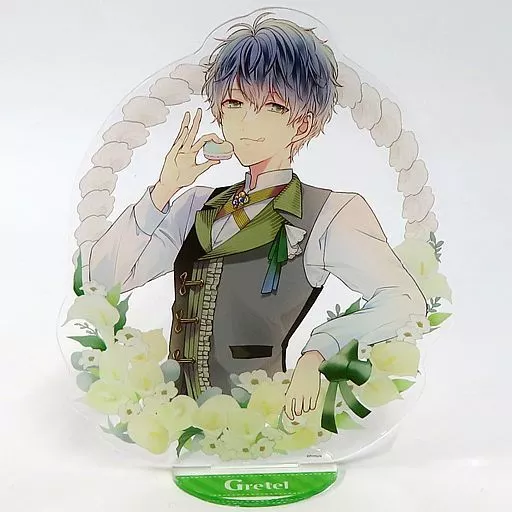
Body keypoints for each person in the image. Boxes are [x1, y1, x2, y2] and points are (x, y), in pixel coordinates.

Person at [88, 14, 426, 421]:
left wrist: (318, 351)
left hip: (261, 423)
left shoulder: (330, 213)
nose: (246, 122)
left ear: (302, 123)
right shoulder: (196, 204)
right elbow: (101, 282)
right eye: (234, 103)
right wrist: (163, 189)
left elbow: (405, 302)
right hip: (178, 422)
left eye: (272, 106)